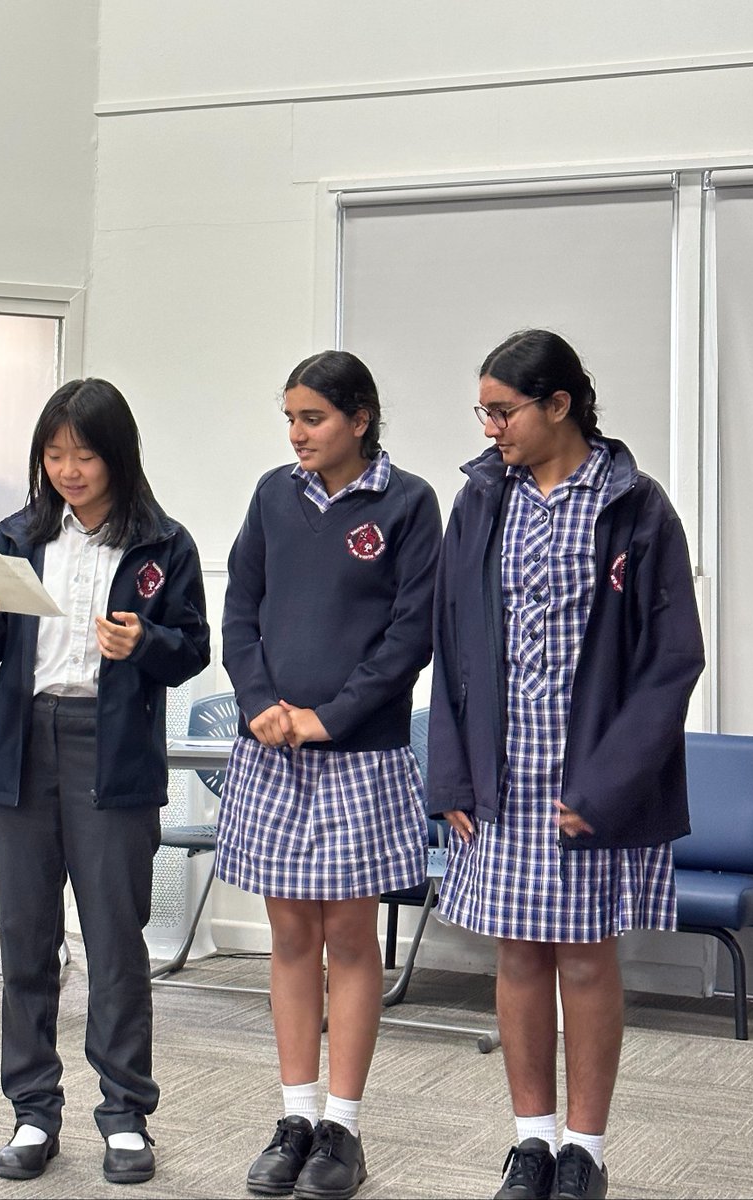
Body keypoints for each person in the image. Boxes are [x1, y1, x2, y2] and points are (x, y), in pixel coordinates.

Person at [427, 330, 705, 1200]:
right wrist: (452, 778)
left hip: (593, 780)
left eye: (504, 410)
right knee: (517, 958)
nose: (491, 428)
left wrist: (607, 785)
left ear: (560, 406)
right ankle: (531, 1143)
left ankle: (585, 1149)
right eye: (485, 410)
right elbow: (452, 643)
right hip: (500, 774)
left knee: (585, 960)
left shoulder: (636, 505)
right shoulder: (481, 501)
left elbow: (671, 661)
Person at [0, 377, 210, 1187]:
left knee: (114, 943)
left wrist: (146, 643)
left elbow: (194, 649)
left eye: (84, 453)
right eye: (54, 453)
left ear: (118, 456)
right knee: (26, 940)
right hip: (22, 745)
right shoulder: (18, 536)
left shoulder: (164, 543)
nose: (68, 468)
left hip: (113, 747)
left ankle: (126, 1116)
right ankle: (32, 1110)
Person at [217, 350, 442, 1200]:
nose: (297, 434)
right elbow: (241, 607)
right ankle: (295, 1117)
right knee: (289, 939)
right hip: (272, 749)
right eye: (289, 419)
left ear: (360, 418)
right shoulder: (274, 494)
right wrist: (259, 701)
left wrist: (331, 716)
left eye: (312, 418)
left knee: (349, 940)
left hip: (360, 753)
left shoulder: (409, 501)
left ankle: (343, 1126)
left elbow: (410, 632)